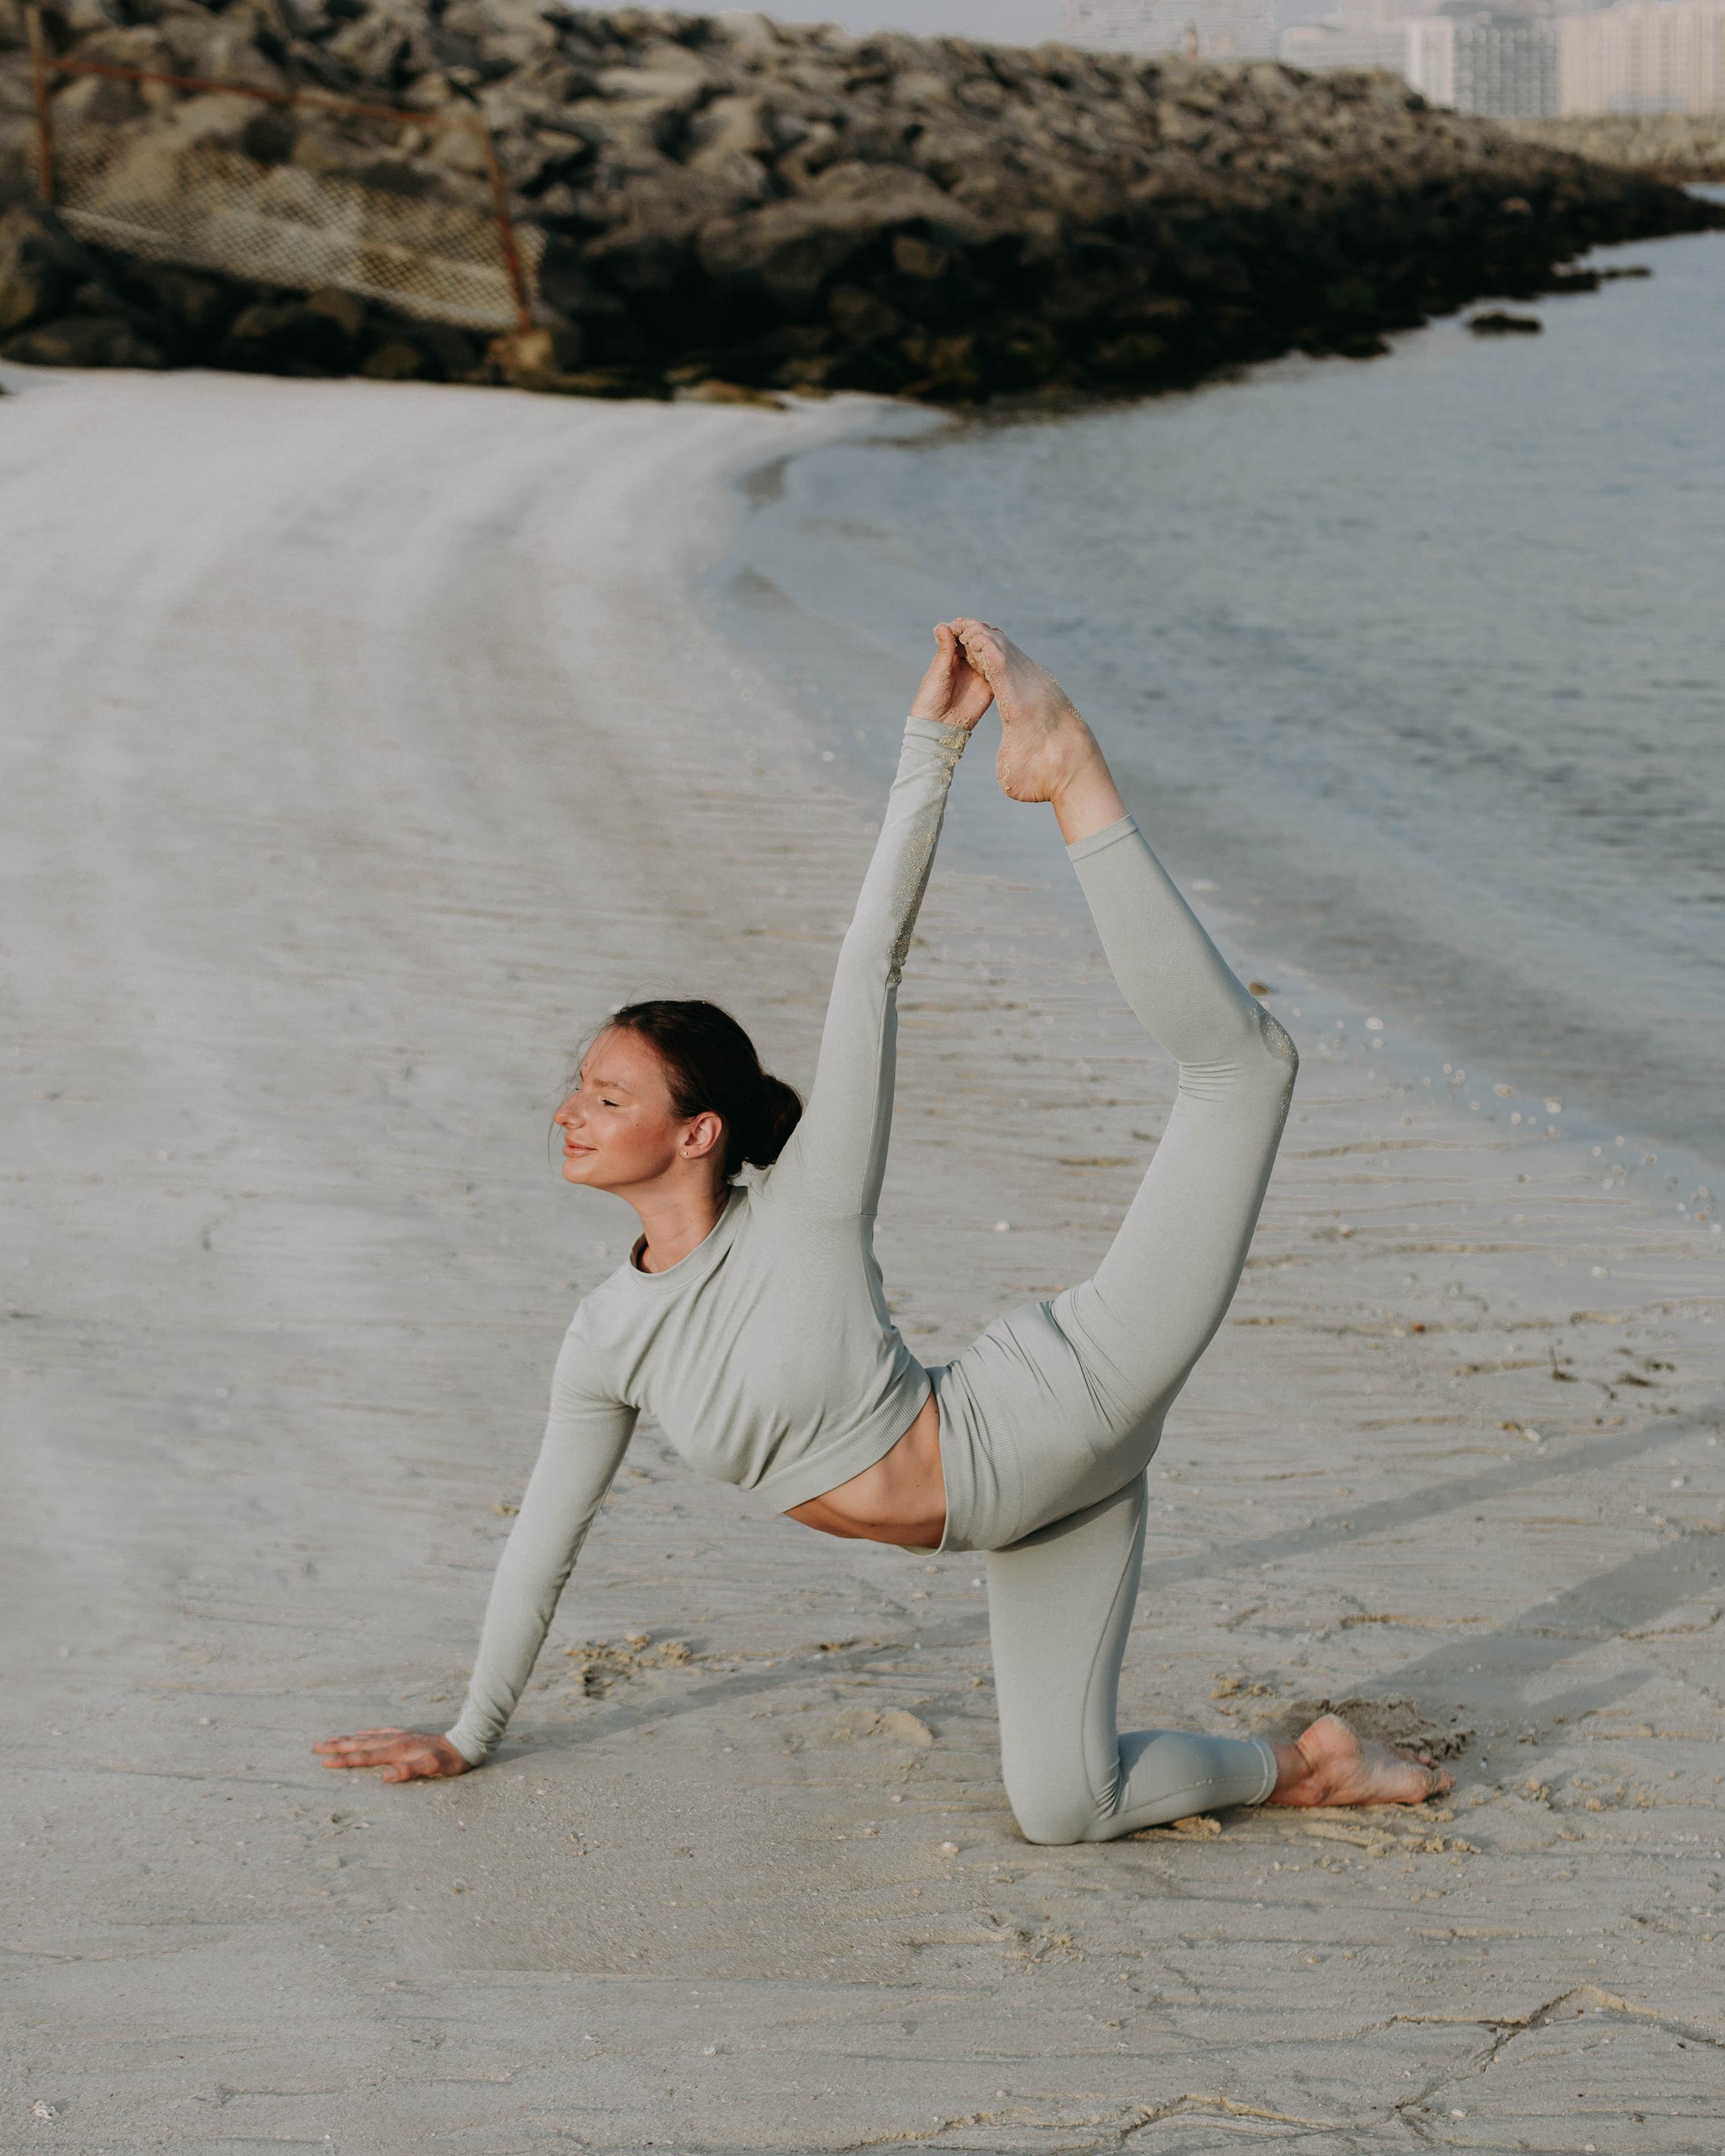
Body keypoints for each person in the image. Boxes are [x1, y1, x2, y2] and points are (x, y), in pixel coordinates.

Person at [317, 621, 1453, 1838]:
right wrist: (469, 1730)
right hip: (1034, 1508)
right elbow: (545, 1539)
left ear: (697, 1132)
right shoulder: (605, 1340)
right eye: (577, 1088)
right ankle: (1313, 1766)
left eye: (609, 1096)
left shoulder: (805, 1204)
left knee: (1245, 1070)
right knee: (1068, 1809)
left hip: (1058, 1406)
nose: (571, 1114)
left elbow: (871, 967)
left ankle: (1073, 769)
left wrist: (933, 749)